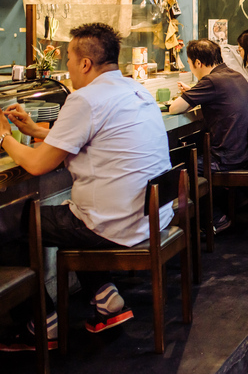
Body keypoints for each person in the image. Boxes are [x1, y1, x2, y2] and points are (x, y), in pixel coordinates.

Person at [0, 23, 171, 349]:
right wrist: (35, 129)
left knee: (14, 223)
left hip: (114, 223)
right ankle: (106, 299)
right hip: (150, 217)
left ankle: (42, 322)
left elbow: (37, 165)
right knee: (71, 212)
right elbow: (88, 138)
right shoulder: (134, 90)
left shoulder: (85, 99)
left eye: (68, 59)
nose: (66, 67)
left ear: (85, 64)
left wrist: (4, 136)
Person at [169, 39, 248, 233]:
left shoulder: (211, 81)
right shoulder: (235, 75)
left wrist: (191, 94)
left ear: (198, 63)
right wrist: (194, 92)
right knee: (197, 152)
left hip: (227, 157)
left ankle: (215, 218)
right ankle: (239, 198)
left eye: (190, 63)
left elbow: (175, 108)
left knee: (181, 168)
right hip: (245, 152)